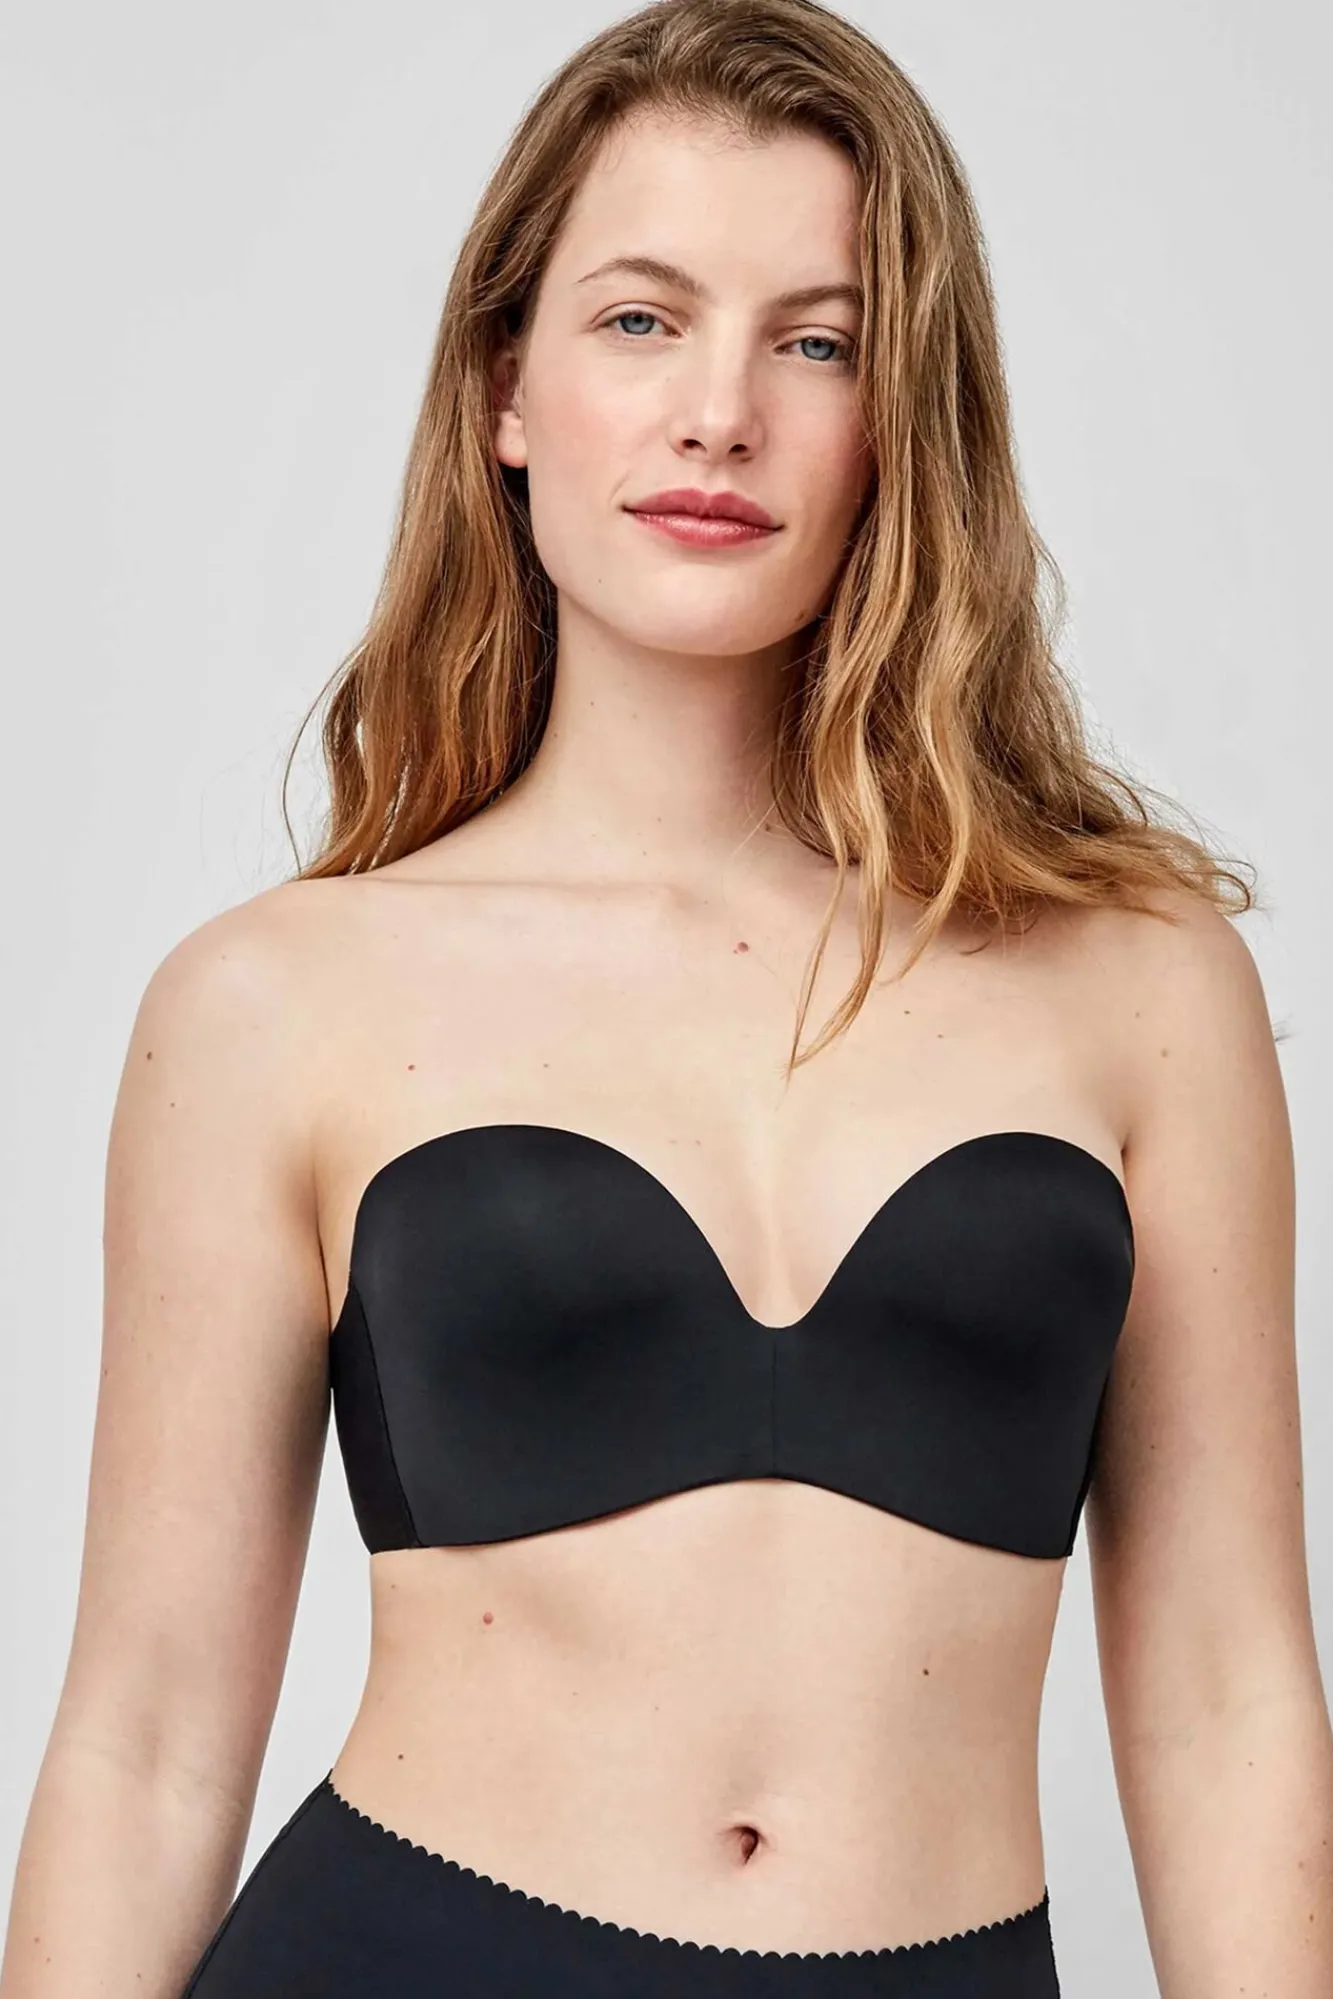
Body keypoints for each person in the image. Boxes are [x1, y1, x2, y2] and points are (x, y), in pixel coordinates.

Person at [4, 1, 1332, 1994]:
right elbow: (149, 1739)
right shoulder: (275, 1004)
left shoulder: (1143, 986)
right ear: (505, 391)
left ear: (906, 417)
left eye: (820, 342)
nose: (722, 413)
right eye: (641, 320)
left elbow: (1232, 1704)